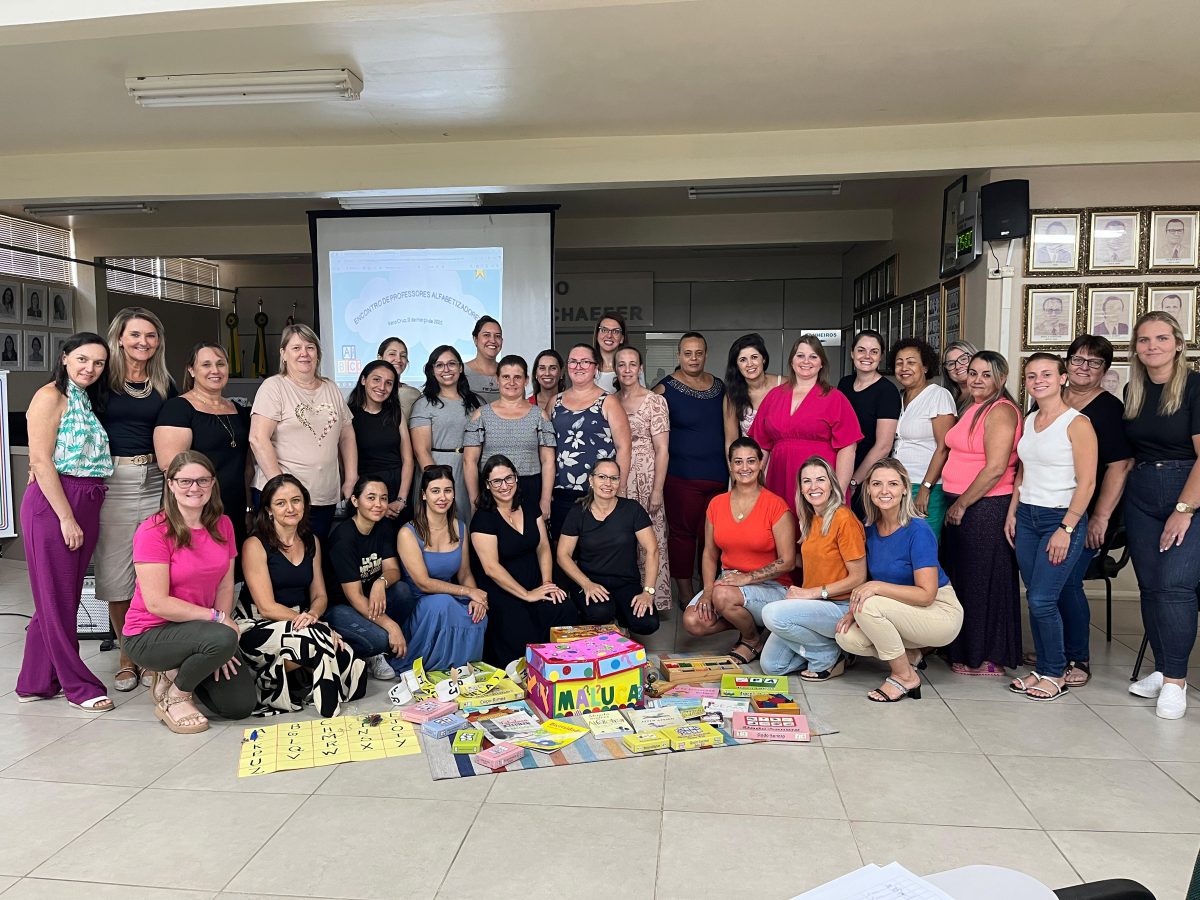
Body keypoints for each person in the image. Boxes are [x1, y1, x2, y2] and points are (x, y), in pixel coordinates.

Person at [16, 333, 115, 710]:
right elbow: (41, 461)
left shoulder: (84, 397)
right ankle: (79, 687)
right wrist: (66, 517)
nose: (90, 368)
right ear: (65, 358)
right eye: (83, 359)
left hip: (85, 499)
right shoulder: (49, 396)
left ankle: (36, 680)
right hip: (56, 503)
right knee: (57, 599)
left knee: (62, 597)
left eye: (99, 363)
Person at [124, 451, 256, 733]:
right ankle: (176, 696)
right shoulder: (153, 531)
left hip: (201, 629)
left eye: (202, 480)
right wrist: (219, 625)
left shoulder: (223, 525)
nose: (194, 488)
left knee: (239, 706)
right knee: (222, 636)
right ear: (170, 484)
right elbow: (157, 604)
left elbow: (224, 584)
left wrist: (222, 644)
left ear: (212, 484)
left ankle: (180, 670)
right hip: (150, 634)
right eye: (184, 481)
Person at [1005, 354, 1097, 702]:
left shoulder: (1077, 423)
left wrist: (1067, 527)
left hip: (1060, 519)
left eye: (1046, 374)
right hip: (1027, 516)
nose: (1038, 380)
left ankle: (1055, 672)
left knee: (1043, 599)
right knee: (1035, 596)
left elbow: (1087, 482)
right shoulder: (1030, 420)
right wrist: (1013, 512)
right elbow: (1022, 472)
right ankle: (1043, 667)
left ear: (1062, 379)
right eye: (1031, 376)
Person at [95, 307, 177, 693]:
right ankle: (127, 658)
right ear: (120, 337)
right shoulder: (100, 379)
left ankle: (151, 656)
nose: (143, 342)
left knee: (155, 569)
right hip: (115, 479)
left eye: (150, 335)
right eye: (135, 335)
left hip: (159, 480)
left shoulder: (164, 382)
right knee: (117, 573)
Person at [237, 474, 366, 717]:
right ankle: (327, 712)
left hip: (301, 620)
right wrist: (318, 626)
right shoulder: (255, 544)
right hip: (258, 624)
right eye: (281, 503)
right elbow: (266, 607)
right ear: (269, 509)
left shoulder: (310, 541)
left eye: (296, 501)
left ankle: (288, 677)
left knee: (349, 661)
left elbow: (319, 595)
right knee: (321, 644)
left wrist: (314, 615)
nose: (290, 508)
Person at [835, 459, 964, 702]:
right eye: (877, 484)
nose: (884, 491)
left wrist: (875, 588)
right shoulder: (871, 531)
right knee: (847, 636)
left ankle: (905, 677)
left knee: (869, 606)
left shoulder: (918, 530)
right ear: (868, 490)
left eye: (892, 484)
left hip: (940, 611)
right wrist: (856, 611)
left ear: (905, 488)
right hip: (902, 609)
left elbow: (926, 595)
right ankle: (911, 655)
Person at [1124, 312, 1200, 719]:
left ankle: (1176, 681)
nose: (1152, 346)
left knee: (1175, 587)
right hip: (1142, 494)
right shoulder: (1133, 389)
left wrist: (1184, 510)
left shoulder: (1194, 386)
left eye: (1161, 338)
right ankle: (1161, 668)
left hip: (1187, 491)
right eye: (1143, 340)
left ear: (1178, 343)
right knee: (1151, 587)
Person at [1050, 336, 1134, 685]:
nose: (1083, 367)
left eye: (1093, 362)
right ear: (1066, 363)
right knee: (1047, 583)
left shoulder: (1108, 409)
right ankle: (1054, 650)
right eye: (1077, 359)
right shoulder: (1049, 399)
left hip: (1087, 513)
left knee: (1069, 583)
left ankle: (1077, 658)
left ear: (1105, 370)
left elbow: (1121, 465)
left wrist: (1100, 517)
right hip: (1048, 506)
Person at [940, 351, 1023, 676]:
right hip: (965, 502)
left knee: (982, 583)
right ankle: (964, 649)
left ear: (1001, 379)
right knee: (964, 580)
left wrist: (962, 504)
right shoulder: (972, 407)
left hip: (985, 506)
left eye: (986, 374)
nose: (976, 379)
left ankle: (986, 657)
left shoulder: (1001, 411)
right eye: (973, 373)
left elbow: (995, 468)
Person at [681, 438, 796, 661]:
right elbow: (709, 553)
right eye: (738, 462)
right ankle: (748, 622)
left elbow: (788, 561)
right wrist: (706, 592)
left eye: (751, 461)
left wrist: (748, 578)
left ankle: (752, 640)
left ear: (761, 463)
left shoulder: (776, 505)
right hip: (729, 583)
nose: (745, 468)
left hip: (772, 587)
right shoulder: (717, 503)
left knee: (723, 595)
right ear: (730, 465)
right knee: (693, 621)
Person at [759, 456, 865, 680]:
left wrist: (812, 593)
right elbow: (815, 559)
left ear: (832, 484)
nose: (813, 487)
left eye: (820, 480)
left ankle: (827, 654)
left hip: (839, 606)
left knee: (772, 613)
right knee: (772, 666)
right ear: (801, 488)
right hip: (814, 605)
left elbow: (858, 577)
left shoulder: (843, 518)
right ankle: (836, 651)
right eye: (807, 481)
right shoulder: (810, 518)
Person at [250, 324, 357, 541]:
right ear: (283, 354)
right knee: (283, 560)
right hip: (282, 498)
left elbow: (346, 435)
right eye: (296, 347)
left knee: (314, 557)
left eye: (310, 347)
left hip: (323, 496)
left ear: (318, 354)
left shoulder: (331, 388)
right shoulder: (274, 387)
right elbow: (258, 439)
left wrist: (351, 476)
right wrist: (282, 488)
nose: (304, 353)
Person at [470, 455, 574, 665]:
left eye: (509, 478)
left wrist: (546, 583)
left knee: (564, 608)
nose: (504, 486)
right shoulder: (483, 518)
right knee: (522, 644)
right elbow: (491, 568)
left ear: (516, 478)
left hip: (535, 581)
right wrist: (527, 595)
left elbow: (543, 547)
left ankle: (565, 671)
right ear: (487, 486)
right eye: (496, 481)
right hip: (504, 591)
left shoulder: (529, 506)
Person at [155, 342, 253, 563]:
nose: (215, 370)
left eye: (221, 364)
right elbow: (171, 468)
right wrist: (193, 512)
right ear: (191, 370)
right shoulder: (178, 409)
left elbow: (246, 466)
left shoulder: (240, 411)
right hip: (197, 509)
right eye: (206, 364)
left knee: (230, 578)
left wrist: (249, 507)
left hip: (234, 508)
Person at [749, 334, 861, 517]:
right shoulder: (773, 396)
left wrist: (838, 491)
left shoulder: (835, 398)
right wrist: (753, 488)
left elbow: (848, 448)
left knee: (821, 538)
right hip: (780, 478)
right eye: (800, 355)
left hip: (819, 483)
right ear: (792, 361)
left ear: (821, 363)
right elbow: (760, 448)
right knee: (782, 532)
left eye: (813, 356)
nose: (806, 361)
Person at [655, 332, 728, 599]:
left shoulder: (719, 387)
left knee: (712, 537)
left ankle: (708, 590)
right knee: (683, 537)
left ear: (706, 354)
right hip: (681, 478)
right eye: (688, 353)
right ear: (679, 356)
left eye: (698, 352)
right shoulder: (665, 388)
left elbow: (729, 429)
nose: (693, 358)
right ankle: (685, 592)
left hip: (718, 477)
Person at [396, 465, 488, 671]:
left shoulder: (460, 526)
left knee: (477, 612)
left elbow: (465, 574)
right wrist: (468, 591)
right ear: (424, 495)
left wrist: (476, 598)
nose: (442, 497)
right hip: (420, 602)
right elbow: (423, 583)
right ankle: (437, 668)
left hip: (450, 595)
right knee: (442, 604)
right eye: (435, 491)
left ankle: (463, 670)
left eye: (448, 490)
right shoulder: (408, 533)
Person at [321, 477, 412, 680]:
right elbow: (354, 597)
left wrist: (380, 583)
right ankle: (372, 653)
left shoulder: (383, 527)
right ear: (355, 501)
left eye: (383, 498)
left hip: (370, 600)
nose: (378, 504)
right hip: (340, 608)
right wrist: (391, 626)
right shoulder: (343, 538)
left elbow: (393, 570)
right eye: (371, 498)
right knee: (379, 639)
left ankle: (385, 644)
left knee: (403, 592)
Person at [557, 460, 660, 636]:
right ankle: (605, 631)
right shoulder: (577, 512)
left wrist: (648, 592)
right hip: (590, 580)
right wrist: (586, 583)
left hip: (626, 583)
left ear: (619, 482)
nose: (608, 483)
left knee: (647, 622)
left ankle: (622, 623)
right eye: (602, 477)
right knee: (600, 612)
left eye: (614, 478)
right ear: (591, 480)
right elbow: (563, 555)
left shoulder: (632, 509)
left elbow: (652, 550)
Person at [550, 343, 631, 538]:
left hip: (599, 492)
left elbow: (624, 448)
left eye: (585, 362)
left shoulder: (608, 402)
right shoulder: (555, 402)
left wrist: (618, 490)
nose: (578, 366)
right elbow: (547, 450)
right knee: (563, 552)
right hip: (562, 491)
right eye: (573, 362)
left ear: (596, 368)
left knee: (597, 552)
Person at [464, 354, 556, 518]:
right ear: (497, 380)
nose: (511, 382)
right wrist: (474, 500)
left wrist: (545, 499)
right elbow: (469, 461)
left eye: (517, 377)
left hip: (530, 487)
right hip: (492, 488)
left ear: (526, 380)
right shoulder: (481, 415)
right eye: (506, 377)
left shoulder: (540, 415)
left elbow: (548, 461)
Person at [615, 346, 672, 610]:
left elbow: (662, 449)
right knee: (621, 538)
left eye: (632, 364)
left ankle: (653, 598)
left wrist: (657, 489)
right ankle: (627, 599)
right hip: (618, 476)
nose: (627, 369)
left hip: (648, 475)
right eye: (622, 364)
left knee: (651, 537)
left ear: (640, 368)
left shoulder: (655, 401)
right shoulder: (611, 400)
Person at [892, 337, 957, 538]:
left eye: (911, 362)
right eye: (899, 362)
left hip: (925, 486)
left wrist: (925, 488)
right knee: (899, 548)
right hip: (897, 485)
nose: (904, 367)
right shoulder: (899, 397)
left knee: (923, 548)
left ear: (925, 367)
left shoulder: (938, 395)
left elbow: (943, 447)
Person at [410, 345, 481, 521]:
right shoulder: (423, 404)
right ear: (432, 371)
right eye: (439, 365)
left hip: (470, 471)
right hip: (437, 469)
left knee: (471, 523)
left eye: (451, 364)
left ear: (461, 368)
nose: (446, 369)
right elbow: (421, 451)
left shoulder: (476, 402)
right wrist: (438, 484)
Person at [838, 330, 901, 516]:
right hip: (843, 470)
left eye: (874, 351)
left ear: (881, 356)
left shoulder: (887, 392)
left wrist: (854, 481)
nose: (867, 356)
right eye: (861, 350)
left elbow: (883, 446)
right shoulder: (844, 384)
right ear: (852, 353)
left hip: (868, 477)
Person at [347, 360, 413, 521]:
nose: (382, 387)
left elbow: (408, 460)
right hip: (364, 491)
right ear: (363, 380)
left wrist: (401, 500)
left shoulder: (396, 413)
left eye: (389, 383)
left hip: (397, 489)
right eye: (376, 379)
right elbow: (344, 463)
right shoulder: (349, 414)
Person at [722, 332, 784, 448]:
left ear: (763, 359)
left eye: (754, 357)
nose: (749, 364)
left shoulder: (784, 385)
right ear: (736, 365)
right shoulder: (732, 396)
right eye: (743, 360)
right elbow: (731, 441)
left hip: (780, 458)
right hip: (751, 462)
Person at [377, 336, 422, 421]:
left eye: (403, 356)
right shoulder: (367, 391)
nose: (398, 359)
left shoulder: (413, 394)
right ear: (380, 357)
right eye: (392, 354)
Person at [463, 315, 503, 402]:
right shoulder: (460, 372)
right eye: (486, 335)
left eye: (497, 336)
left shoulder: (509, 373)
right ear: (475, 339)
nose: (492, 340)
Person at [593, 313, 634, 393]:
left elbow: (642, 400)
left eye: (615, 331)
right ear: (597, 335)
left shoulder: (633, 368)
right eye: (604, 330)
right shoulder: (586, 366)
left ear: (622, 338)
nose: (609, 335)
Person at [941, 340, 979, 412]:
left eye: (963, 359)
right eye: (951, 364)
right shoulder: (946, 399)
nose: (958, 366)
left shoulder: (987, 396)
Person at [529, 349, 565, 416]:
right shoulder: (527, 405)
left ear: (561, 373)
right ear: (536, 373)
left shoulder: (571, 403)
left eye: (553, 368)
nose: (547, 373)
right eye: (542, 368)